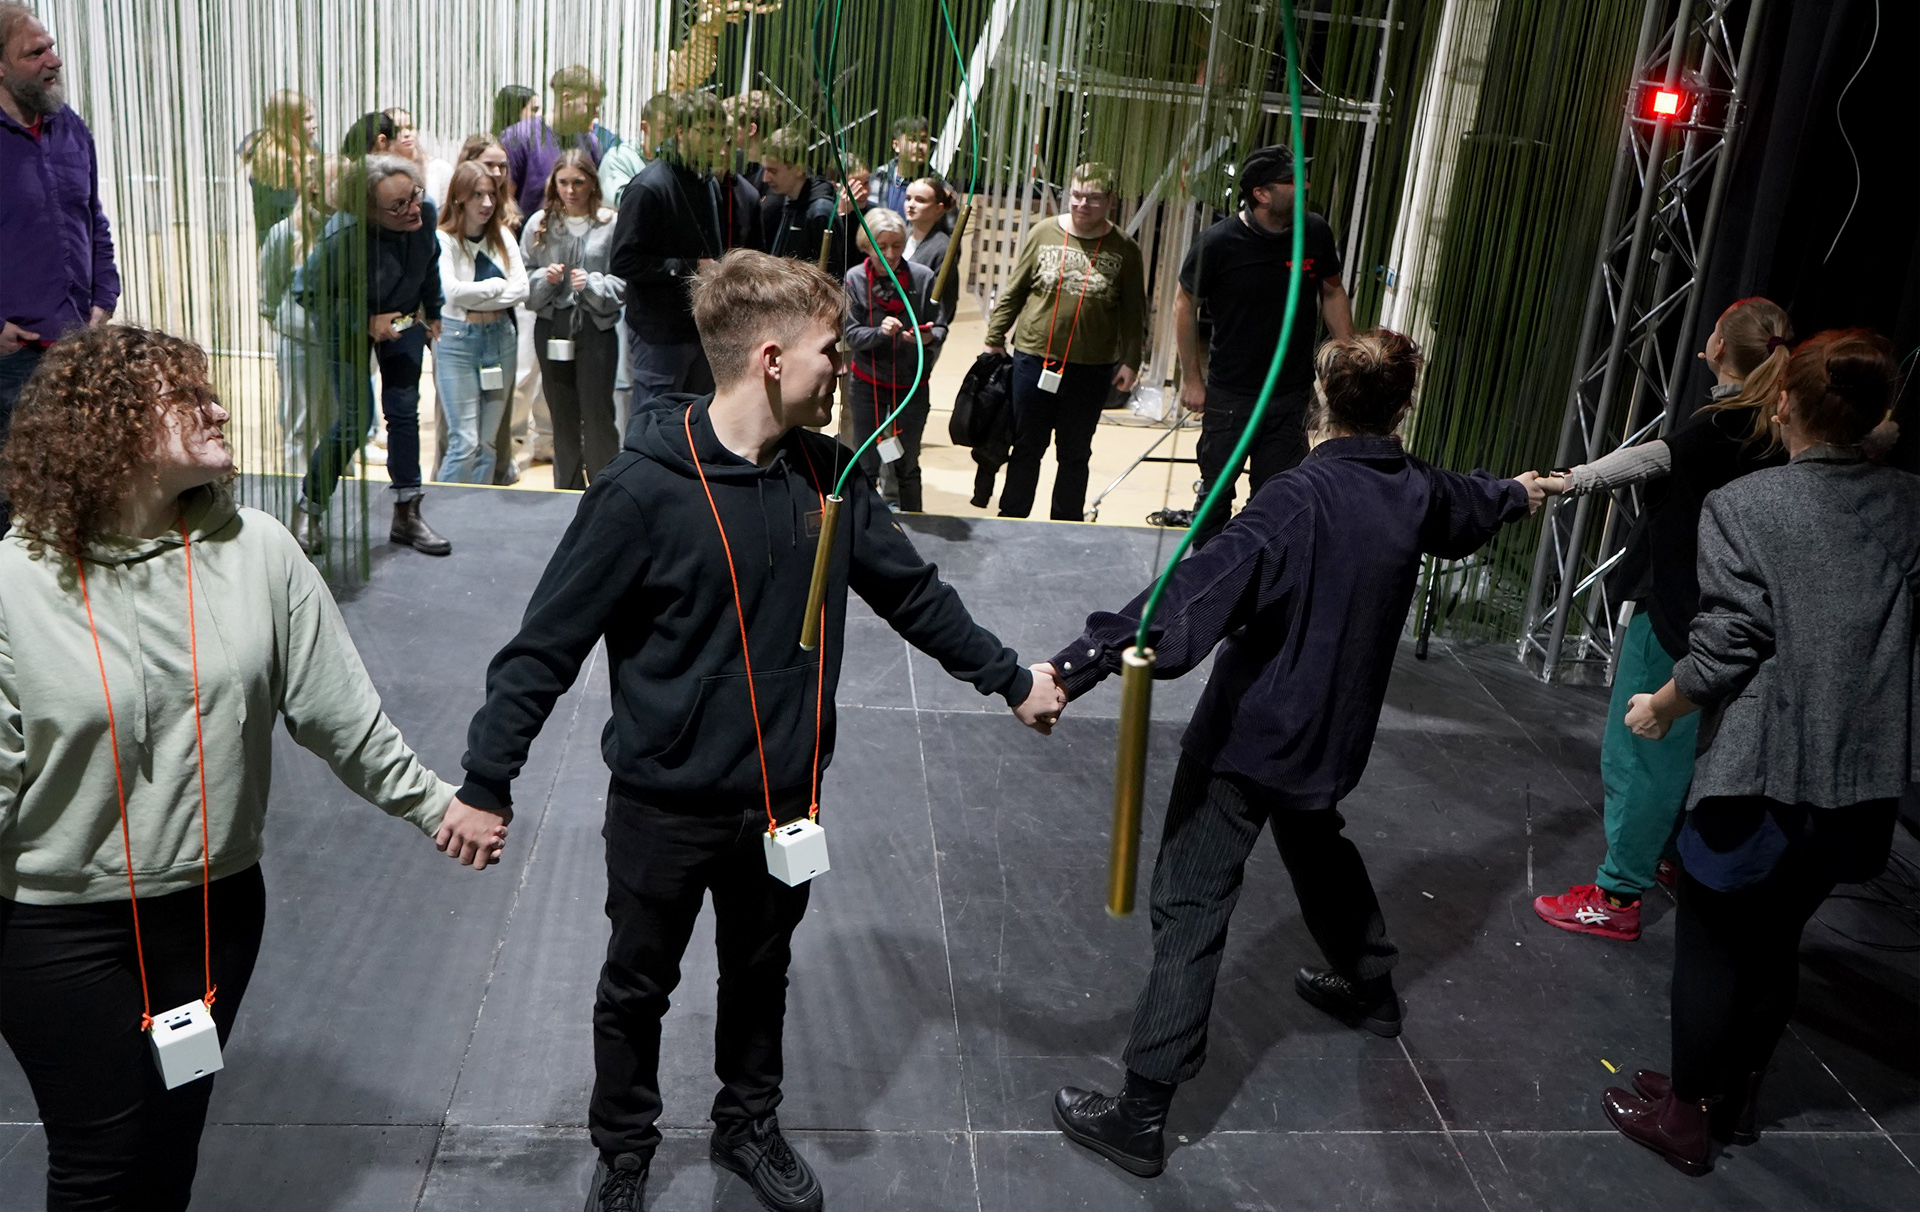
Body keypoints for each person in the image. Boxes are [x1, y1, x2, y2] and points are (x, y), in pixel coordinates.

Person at [453, 250, 1063, 1212]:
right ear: (772, 360)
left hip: (785, 800)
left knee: (761, 974)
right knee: (636, 988)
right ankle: (625, 1150)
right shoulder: (640, 492)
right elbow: (543, 649)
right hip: (663, 804)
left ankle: (747, 1126)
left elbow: (913, 594)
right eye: (831, 352)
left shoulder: (830, 476)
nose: (842, 370)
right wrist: (488, 782)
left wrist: (1010, 679)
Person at [0, 324, 507, 1212]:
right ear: (108, 425)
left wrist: (436, 804)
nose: (220, 409)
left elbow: (339, 713)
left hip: (214, 908)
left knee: (172, 1145)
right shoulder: (17, 580)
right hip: (58, 926)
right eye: (187, 397)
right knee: (101, 1163)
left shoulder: (259, 550)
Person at [1042, 331, 1545, 1178]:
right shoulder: (1413, 486)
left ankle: (1141, 1112)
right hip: (1330, 738)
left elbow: (1190, 597)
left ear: (1321, 398)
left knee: (1191, 901)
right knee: (1315, 841)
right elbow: (1469, 505)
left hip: (1250, 741)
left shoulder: (1296, 499)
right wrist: (1519, 494)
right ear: (1403, 405)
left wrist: (1073, 667)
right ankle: (1371, 985)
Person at [1601, 330, 1915, 1177]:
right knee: (1777, 941)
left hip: (1763, 774)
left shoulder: (1749, 506)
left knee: (1711, 942)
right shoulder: (1910, 504)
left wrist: (1659, 707)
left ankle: (1683, 1117)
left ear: (1781, 402)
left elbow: (1725, 649)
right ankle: (1732, 1096)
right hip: (1858, 778)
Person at [1532, 297, 1793, 941]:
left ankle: (1618, 895)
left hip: (1676, 618)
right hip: (1734, 623)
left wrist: (1565, 481)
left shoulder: (1720, 427)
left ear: (1719, 348)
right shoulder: (1779, 429)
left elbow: (1649, 459)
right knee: (1686, 753)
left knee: (1640, 753)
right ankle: (1668, 857)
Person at [1170, 144, 1353, 545]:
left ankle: (1261, 571)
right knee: (1216, 494)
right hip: (1232, 395)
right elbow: (1184, 304)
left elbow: (1332, 292)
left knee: (1276, 496)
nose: (1305, 186)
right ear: (1261, 194)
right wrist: (1192, 380)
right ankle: (1208, 570)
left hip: (1290, 394)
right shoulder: (1218, 243)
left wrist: (1350, 359)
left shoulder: (1314, 233)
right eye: (1293, 180)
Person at [292, 153, 450, 556]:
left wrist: (433, 311)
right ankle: (308, 508)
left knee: (404, 412)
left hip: (404, 318)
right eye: (398, 206)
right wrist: (364, 321)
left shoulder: (426, 213)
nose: (412, 208)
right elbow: (305, 291)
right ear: (367, 211)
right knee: (355, 422)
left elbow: (429, 260)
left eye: (414, 195)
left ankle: (407, 514)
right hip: (347, 324)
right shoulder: (342, 235)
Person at [1, 2, 118, 533]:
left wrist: (105, 295)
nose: (55, 59)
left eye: (51, 46)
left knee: (76, 488)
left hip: (76, 345)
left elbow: (91, 217)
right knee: (13, 499)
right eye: (35, 52)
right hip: (11, 359)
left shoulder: (70, 127)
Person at [983, 162, 1146, 521]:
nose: (1082, 204)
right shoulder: (1043, 233)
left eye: (1093, 198)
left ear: (1110, 201)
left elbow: (1133, 312)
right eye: (1076, 195)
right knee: (1026, 444)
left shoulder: (1125, 249)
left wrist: (1131, 361)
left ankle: (1067, 522)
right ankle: (1012, 516)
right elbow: (1015, 289)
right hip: (1034, 359)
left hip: (1092, 368)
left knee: (1075, 451)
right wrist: (995, 337)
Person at [609, 91, 728, 414]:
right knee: (655, 424)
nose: (714, 142)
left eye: (720, 133)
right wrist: (690, 267)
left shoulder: (707, 182)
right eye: (705, 131)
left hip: (702, 328)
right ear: (680, 131)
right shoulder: (648, 186)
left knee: (697, 423)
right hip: (659, 333)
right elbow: (623, 260)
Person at [522, 150, 625, 488]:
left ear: (592, 183)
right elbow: (523, 282)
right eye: (563, 182)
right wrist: (544, 279)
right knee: (561, 415)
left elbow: (623, 282)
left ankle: (605, 489)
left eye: (578, 182)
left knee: (597, 414)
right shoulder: (539, 224)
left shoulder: (610, 225)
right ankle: (566, 490)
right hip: (552, 328)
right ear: (554, 184)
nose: (570, 190)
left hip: (595, 329)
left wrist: (593, 284)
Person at [843, 207, 945, 512]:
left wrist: (926, 337)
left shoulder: (922, 278)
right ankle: (862, 523)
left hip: (911, 386)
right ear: (866, 246)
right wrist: (879, 332)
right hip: (867, 385)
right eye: (881, 247)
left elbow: (940, 327)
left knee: (907, 464)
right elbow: (850, 335)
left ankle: (915, 526)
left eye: (897, 245)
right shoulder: (855, 279)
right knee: (866, 463)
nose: (890, 254)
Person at [433, 160, 528, 485]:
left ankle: (476, 508)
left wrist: (477, 297)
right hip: (458, 341)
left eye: (491, 194)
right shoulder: (444, 239)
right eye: (477, 195)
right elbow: (451, 293)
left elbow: (522, 290)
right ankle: (443, 508)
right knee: (464, 442)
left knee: (487, 444)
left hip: (501, 338)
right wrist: (495, 287)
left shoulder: (502, 234)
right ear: (458, 198)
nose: (486, 203)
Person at [259, 155, 341, 474]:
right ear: (315, 187)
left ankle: (335, 486)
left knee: (338, 423)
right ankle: (298, 490)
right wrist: (294, 328)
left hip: (341, 344)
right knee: (301, 423)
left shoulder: (353, 230)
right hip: (299, 342)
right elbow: (270, 295)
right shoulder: (284, 234)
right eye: (338, 181)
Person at [500, 64, 610, 223]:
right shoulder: (519, 138)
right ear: (567, 99)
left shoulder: (591, 143)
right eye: (590, 106)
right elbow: (504, 201)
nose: (596, 114)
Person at [240, 89, 319, 243]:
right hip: (287, 239)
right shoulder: (274, 158)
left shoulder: (309, 147)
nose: (314, 125)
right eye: (308, 119)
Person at [760, 127, 836, 263]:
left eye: (773, 171)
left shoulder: (820, 213)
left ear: (799, 168)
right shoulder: (788, 199)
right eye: (764, 170)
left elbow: (831, 271)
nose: (765, 179)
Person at [387, 105, 455, 215]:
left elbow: (448, 214)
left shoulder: (441, 169)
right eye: (397, 130)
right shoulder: (384, 173)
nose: (407, 134)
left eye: (410, 127)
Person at [868, 115, 930, 213]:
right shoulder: (879, 177)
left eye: (923, 140)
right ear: (896, 145)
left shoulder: (936, 185)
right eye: (913, 140)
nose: (920, 146)